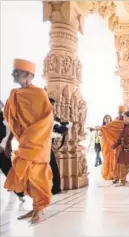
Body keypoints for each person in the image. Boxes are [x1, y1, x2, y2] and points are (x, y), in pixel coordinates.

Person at [4, 59, 53, 223]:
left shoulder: (39, 94)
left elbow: (47, 120)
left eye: (16, 72)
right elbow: (12, 120)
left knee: (37, 175)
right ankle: (35, 208)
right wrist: (13, 139)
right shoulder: (15, 95)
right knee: (27, 175)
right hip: (25, 142)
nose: (13, 74)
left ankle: (40, 208)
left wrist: (32, 135)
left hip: (38, 142)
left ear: (27, 75)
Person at [0, 100, 25, 201]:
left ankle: (19, 193)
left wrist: (2, 146)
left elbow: (10, 133)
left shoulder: (6, 118)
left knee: (9, 171)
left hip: (2, 149)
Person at [100, 109, 124, 182]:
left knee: (113, 159)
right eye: (106, 118)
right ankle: (107, 174)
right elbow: (100, 135)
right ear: (104, 120)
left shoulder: (113, 126)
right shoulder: (103, 127)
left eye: (108, 118)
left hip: (112, 144)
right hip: (105, 145)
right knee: (106, 158)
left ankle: (113, 174)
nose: (107, 119)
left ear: (110, 119)